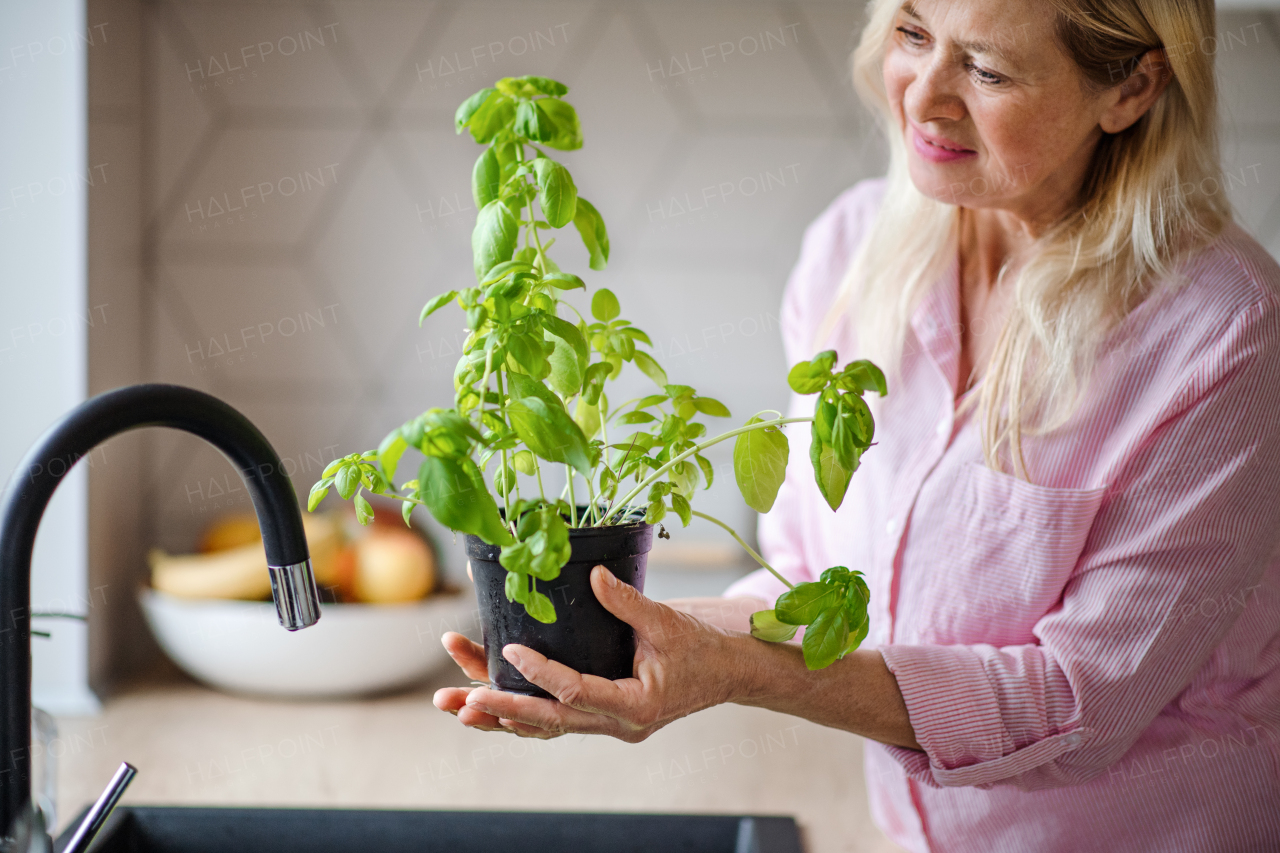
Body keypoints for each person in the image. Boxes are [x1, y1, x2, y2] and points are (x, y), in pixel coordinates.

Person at [434, 1, 1280, 849]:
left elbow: (1077, 699)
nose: (924, 97)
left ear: (1131, 87)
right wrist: (615, 646)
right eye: (913, 34)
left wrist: (733, 672)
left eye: (986, 70)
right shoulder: (852, 249)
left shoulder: (1223, 332)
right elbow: (800, 576)